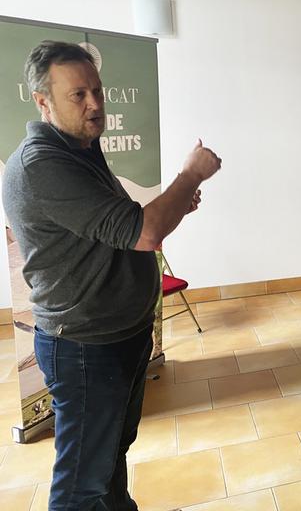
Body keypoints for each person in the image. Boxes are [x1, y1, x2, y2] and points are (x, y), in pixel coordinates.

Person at [3, 41, 222, 510]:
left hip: (118, 333)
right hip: (85, 345)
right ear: (43, 102)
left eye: (97, 91)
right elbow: (144, 231)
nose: (95, 104)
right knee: (81, 484)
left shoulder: (80, 146)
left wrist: (177, 203)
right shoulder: (44, 164)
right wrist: (189, 177)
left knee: (107, 461)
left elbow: (126, 228)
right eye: (78, 95)